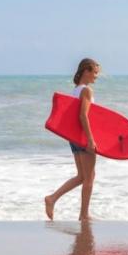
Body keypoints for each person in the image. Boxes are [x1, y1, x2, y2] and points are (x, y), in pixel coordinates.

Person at [44, 58, 100, 221]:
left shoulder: (76, 90)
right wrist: (90, 140)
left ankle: (52, 198)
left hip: (74, 137)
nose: (96, 77)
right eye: (95, 73)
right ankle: (84, 214)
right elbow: (83, 116)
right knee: (89, 177)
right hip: (83, 137)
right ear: (86, 71)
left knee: (81, 176)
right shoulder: (87, 91)